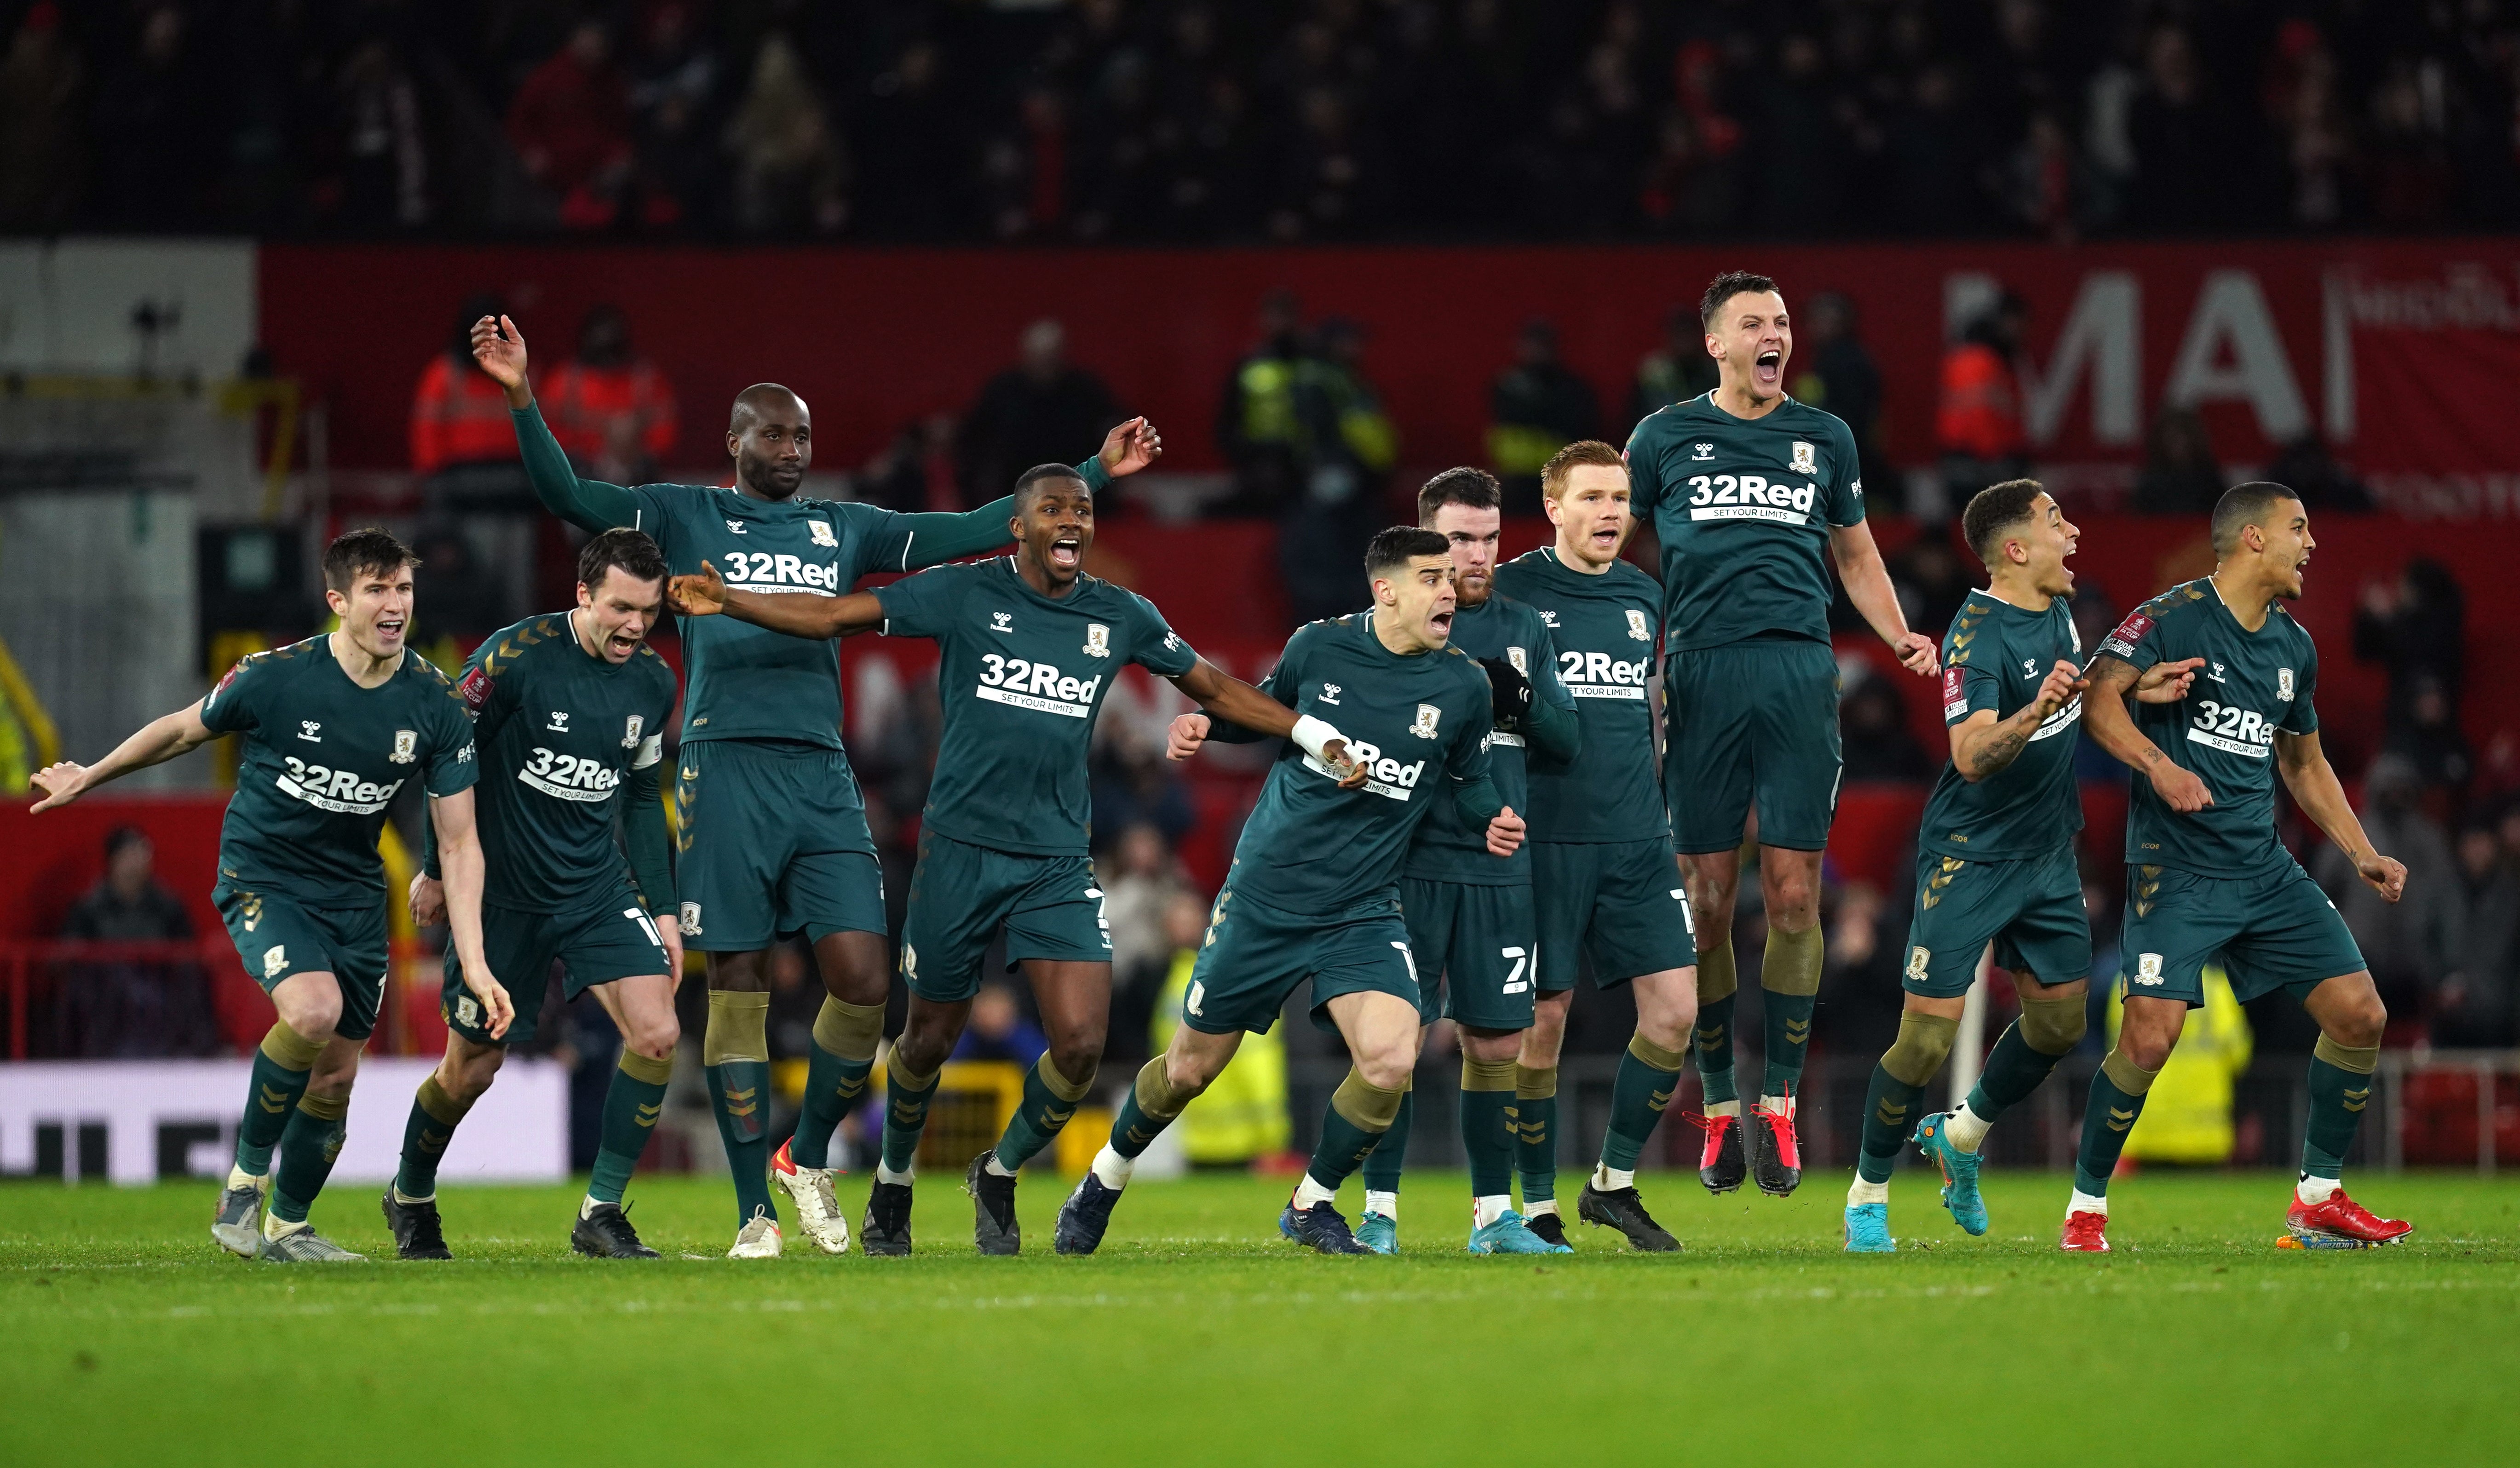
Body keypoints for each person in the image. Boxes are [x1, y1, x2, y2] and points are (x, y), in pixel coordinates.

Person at [475, 313, 1161, 1258]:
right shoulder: (685, 514)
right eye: (773, 433)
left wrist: (1085, 475)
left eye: (802, 434)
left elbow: (972, 528)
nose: (792, 448)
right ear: (734, 442)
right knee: (740, 986)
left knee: (865, 978)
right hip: (722, 764)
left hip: (821, 771)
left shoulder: (848, 526)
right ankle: (755, 1207)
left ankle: (805, 1155)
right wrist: (520, 394)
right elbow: (568, 493)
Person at [667, 462, 1328, 1256]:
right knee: (924, 1041)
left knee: (1081, 1042)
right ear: (1018, 527)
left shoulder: (1118, 613)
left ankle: (1001, 1168)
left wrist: (1307, 733)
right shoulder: (964, 590)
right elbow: (835, 616)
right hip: (957, 853)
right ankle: (896, 1176)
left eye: (1082, 509)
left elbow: (1212, 686)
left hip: (1054, 858)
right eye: (1053, 508)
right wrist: (732, 599)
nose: (1072, 521)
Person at [29, 529, 500, 1262]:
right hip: (265, 875)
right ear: (338, 601)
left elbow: (461, 839)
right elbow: (183, 730)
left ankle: (290, 1225)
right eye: (377, 590)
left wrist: (469, 958)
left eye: (403, 590)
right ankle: (245, 1181)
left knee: (338, 1075)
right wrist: (88, 775)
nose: (395, 606)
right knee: (313, 1010)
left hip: (352, 896)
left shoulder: (434, 704)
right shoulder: (276, 676)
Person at [1057, 527, 1525, 1256]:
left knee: (1391, 1057)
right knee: (1187, 1070)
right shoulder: (1320, 647)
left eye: (1448, 579)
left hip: (1363, 906)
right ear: (1386, 590)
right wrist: (1203, 724)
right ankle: (1104, 1178)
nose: (1449, 590)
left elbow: (1466, 783)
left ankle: (1311, 1202)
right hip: (1267, 897)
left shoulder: (1464, 684)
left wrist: (1490, 815)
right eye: (1431, 578)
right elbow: (1261, 710)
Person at [1626, 270, 1939, 1199]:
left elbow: (1855, 550)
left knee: (1798, 894)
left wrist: (1895, 631)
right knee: (1710, 895)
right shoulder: (1663, 438)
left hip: (1800, 670)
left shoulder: (1823, 438)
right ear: (1714, 343)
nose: (1776, 336)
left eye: (1784, 324)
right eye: (1755, 324)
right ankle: (1720, 1102)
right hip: (1702, 671)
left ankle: (1781, 1105)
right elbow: (1614, 537)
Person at [1842, 480, 2197, 1252]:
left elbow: (2077, 698)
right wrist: (2031, 711)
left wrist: (2141, 686)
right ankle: (1866, 1198)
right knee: (1923, 1042)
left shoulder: (2060, 611)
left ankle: (1960, 1135)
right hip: (1968, 857)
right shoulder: (1975, 634)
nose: (2072, 532)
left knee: (2060, 1022)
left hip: (2045, 854)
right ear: (2014, 549)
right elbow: (1970, 756)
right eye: (2054, 522)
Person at [2066, 482, 2412, 1250]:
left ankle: (2316, 1197)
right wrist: (2159, 766)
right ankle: (2085, 1207)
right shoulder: (2169, 616)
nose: (2310, 543)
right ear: (2252, 538)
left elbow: (2304, 760)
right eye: (2298, 527)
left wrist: (2359, 853)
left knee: (2360, 1014)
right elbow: (2097, 699)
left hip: (2261, 867)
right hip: (2176, 867)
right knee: (2147, 1038)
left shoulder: (2293, 646)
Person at [386, 530, 683, 1262]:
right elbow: (449, 759)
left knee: (657, 1032)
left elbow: (644, 798)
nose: (635, 626)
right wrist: (433, 868)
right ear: (582, 594)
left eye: (648, 611)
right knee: (471, 1072)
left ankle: (601, 1211)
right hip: (500, 895)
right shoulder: (513, 657)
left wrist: (667, 911)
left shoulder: (653, 681)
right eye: (621, 607)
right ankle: (410, 1193)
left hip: (593, 887)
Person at [1361, 467, 1579, 1256]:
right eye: (1458, 540)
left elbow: (1567, 740)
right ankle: (1378, 1211)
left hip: (1498, 871)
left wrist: (1513, 694)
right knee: (1398, 1040)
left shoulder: (1525, 629)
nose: (1477, 555)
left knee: (1494, 1044)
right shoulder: (1389, 629)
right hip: (1410, 864)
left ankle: (1493, 1215)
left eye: (1489, 539)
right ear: (1426, 541)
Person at [1493, 441, 1703, 1250]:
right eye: (1590, 497)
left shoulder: (1642, 596)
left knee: (1674, 1012)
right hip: (1544, 839)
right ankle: (1539, 1203)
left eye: (1619, 497)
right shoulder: (1511, 588)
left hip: (1637, 837)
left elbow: (1648, 712)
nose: (1610, 511)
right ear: (1553, 507)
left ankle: (1610, 1183)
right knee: (1542, 1024)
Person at [58, 826, 212, 1059]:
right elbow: (71, 954)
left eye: (143, 854)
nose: (137, 862)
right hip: (105, 997)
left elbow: (187, 956)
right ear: (113, 860)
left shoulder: (168, 907)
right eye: (129, 855)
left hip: (159, 991)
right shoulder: (90, 908)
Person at [959, 319, 1122, 506]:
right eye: (1039, 356)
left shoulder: (1086, 389)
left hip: (1081, 489)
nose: (1044, 364)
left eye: (1051, 357)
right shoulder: (1003, 390)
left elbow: (1111, 426)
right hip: (1017, 491)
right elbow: (977, 437)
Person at [544, 305, 679, 486]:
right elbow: (546, 433)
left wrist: (628, 444)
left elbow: (665, 433)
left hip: (637, 472)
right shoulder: (566, 379)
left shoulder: (645, 378)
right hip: (580, 468)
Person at [1488, 319, 1599, 513]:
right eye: (1531, 345)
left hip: (1557, 475)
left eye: (1541, 346)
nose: (1535, 352)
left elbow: (1578, 426)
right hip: (1515, 476)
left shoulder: (1572, 387)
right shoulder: (1506, 385)